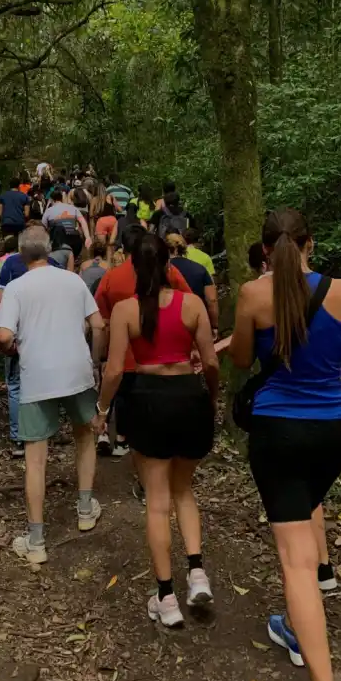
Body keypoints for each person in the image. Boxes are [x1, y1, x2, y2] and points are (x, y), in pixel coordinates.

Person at [228, 209, 341, 681]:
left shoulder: (252, 295)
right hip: (335, 431)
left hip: (279, 434)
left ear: (265, 250)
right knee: (306, 521)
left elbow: (242, 360)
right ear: (311, 243)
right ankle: (296, 624)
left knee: (297, 562)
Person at [93, 233, 219, 627]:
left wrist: (101, 409)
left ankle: (166, 597)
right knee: (185, 490)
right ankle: (197, 573)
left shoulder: (127, 311)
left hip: (146, 399)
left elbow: (114, 371)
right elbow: (211, 363)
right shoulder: (192, 304)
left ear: (132, 266)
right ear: (169, 265)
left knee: (157, 501)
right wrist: (211, 397)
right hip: (188, 397)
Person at [0, 226, 105, 564]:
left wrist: (11, 346)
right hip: (76, 370)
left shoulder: (15, 287)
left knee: (35, 458)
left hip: (37, 375)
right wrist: (95, 361)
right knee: (85, 435)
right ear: (50, 250)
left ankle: (37, 539)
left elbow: (2, 335)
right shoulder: (73, 280)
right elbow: (98, 323)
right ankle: (85, 508)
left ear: (21, 256)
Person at [94, 226, 193, 460]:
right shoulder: (171, 274)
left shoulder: (111, 276)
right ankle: (124, 439)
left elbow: (101, 313)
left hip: (124, 351)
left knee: (121, 394)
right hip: (162, 354)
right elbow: (187, 297)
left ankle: (112, 436)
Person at [0, 228, 62, 458]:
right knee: (44, 385)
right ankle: (41, 434)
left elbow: (0, 299)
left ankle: (19, 439)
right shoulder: (55, 266)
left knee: (15, 387)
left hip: (15, 333)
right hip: (46, 336)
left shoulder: (11, 264)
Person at [165, 234, 219, 338]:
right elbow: (212, 299)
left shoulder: (162, 271)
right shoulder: (199, 269)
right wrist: (214, 325)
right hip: (197, 321)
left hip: (171, 324)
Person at [42, 189, 91, 258]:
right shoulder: (73, 208)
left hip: (57, 244)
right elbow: (83, 222)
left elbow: (43, 228)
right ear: (62, 198)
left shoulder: (48, 211)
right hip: (75, 242)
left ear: (51, 199)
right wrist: (88, 237)